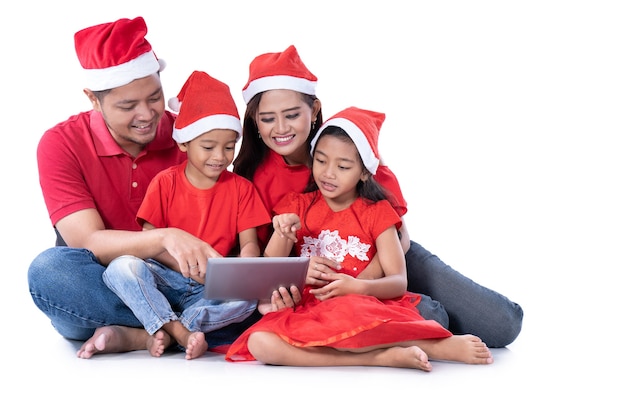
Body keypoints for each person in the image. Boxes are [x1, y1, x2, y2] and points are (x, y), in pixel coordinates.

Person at [232, 45, 523, 348]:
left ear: (314, 109)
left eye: (292, 115)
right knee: (430, 315)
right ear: (254, 119)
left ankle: (411, 317)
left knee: (502, 325)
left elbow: (400, 237)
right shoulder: (252, 177)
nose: (281, 128)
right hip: (317, 283)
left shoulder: (349, 142)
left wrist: (360, 288)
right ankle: (419, 323)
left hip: (384, 258)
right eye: (267, 119)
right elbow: (266, 260)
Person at [27, 16, 261, 359]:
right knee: (50, 272)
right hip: (107, 281)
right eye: (127, 106)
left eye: (154, 97)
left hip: (186, 284)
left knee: (258, 294)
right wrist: (164, 236)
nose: (147, 114)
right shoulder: (61, 143)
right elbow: (86, 241)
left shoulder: (192, 140)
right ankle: (180, 329)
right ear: (93, 98)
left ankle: (137, 333)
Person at [226, 107, 493, 370]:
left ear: (364, 172)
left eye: (343, 166)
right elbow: (268, 271)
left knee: (347, 317)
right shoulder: (296, 205)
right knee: (260, 343)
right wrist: (283, 234)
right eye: (320, 161)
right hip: (310, 310)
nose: (328, 173)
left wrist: (357, 287)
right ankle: (376, 357)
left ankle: (434, 346)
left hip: (357, 305)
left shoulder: (377, 213)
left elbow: (398, 281)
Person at [102, 70, 270, 360]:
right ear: (183, 144)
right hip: (167, 276)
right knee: (121, 267)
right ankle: (181, 332)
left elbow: (250, 245)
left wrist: (243, 274)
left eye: (229, 147)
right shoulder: (165, 182)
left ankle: (170, 326)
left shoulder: (242, 189)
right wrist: (187, 267)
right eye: (208, 147)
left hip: (212, 286)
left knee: (247, 301)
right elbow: (150, 241)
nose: (220, 156)